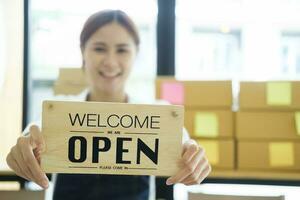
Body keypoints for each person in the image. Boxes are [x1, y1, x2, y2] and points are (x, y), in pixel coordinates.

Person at [6, 10, 211, 200]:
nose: (110, 61)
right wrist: (25, 144)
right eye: (99, 49)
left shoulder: (157, 111)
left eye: (122, 50)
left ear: (135, 54)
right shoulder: (62, 109)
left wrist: (193, 157)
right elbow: (36, 130)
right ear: (83, 52)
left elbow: (183, 143)